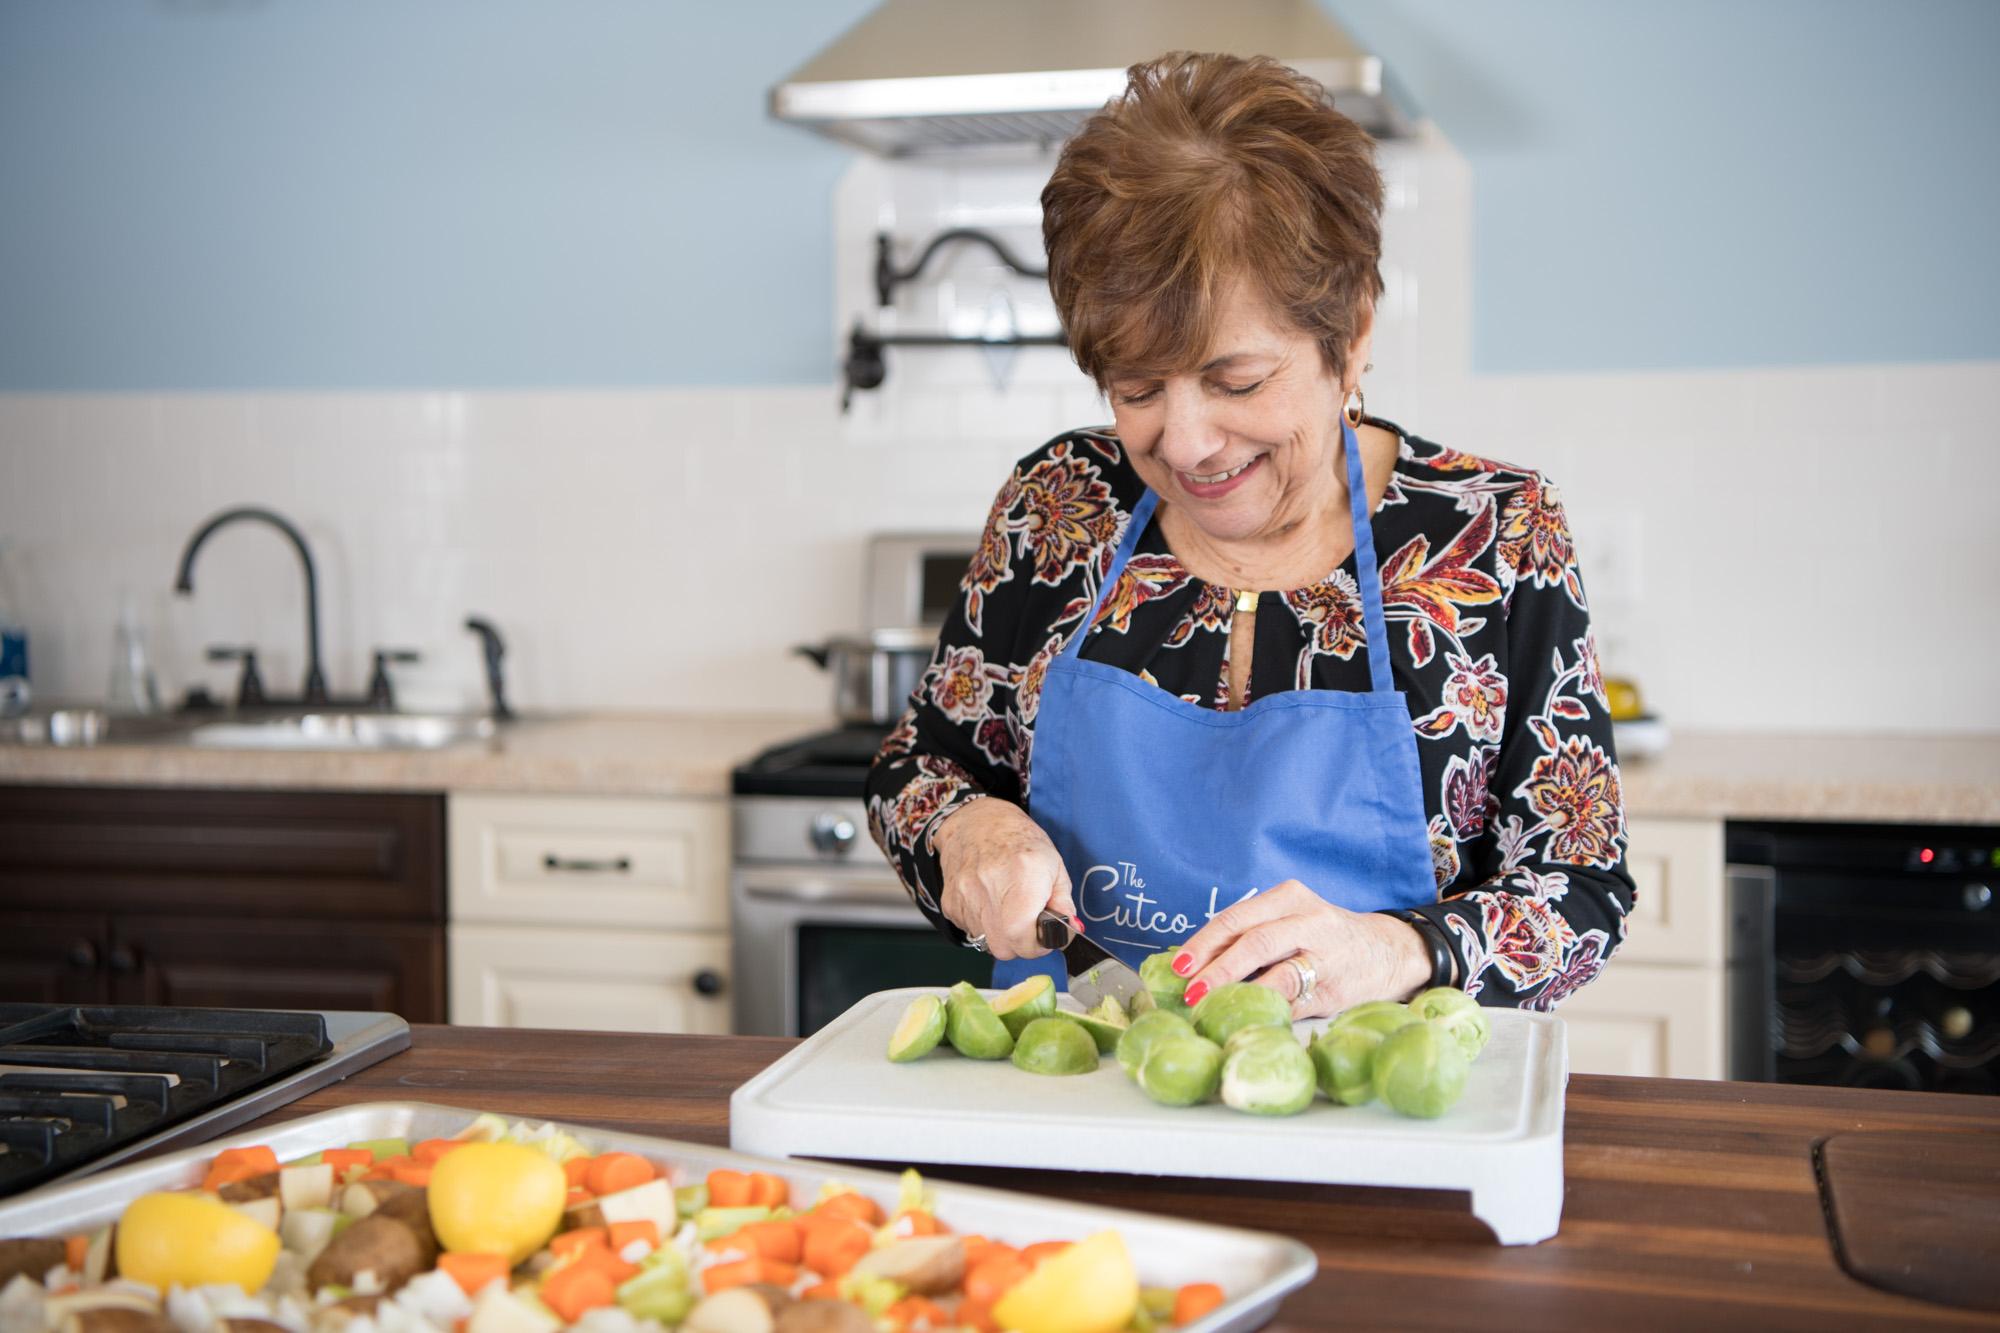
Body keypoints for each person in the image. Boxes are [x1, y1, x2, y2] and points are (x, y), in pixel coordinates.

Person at [865, 51, 1634, 1016]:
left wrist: (1396, 951)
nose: (1184, 443)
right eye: (1137, 388)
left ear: (1349, 335)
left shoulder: (1493, 537)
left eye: (1236, 382)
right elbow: (917, 766)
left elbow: (1583, 889)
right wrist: (965, 827)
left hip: (1385, 1124)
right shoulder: (1058, 508)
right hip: (1085, 1105)